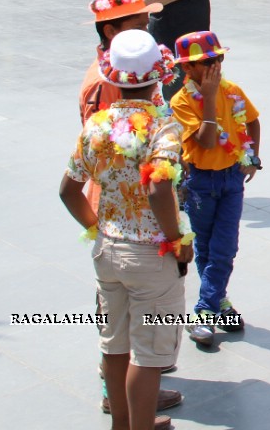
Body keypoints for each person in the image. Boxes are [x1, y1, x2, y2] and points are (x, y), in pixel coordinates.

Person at [59, 30, 192, 430]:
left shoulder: (96, 125)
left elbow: (68, 190)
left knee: (114, 345)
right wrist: (175, 239)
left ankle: (122, 425)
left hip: (107, 250)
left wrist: (98, 228)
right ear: (158, 77)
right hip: (150, 255)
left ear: (112, 78)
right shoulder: (163, 124)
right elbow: (157, 185)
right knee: (149, 353)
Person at [169, 30, 261, 345]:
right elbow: (207, 140)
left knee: (225, 248)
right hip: (200, 182)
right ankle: (220, 302)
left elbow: (252, 121)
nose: (214, 66)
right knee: (206, 248)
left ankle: (204, 311)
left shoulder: (232, 91)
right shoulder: (181, 101)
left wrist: (252, 156)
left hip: (231, 179)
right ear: (187, 70)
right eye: (205, 62)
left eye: (217, 59)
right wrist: (208, 99)